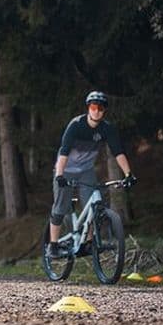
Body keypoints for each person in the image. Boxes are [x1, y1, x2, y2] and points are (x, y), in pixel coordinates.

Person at [47, 91, 137, 258]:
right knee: (60, 208)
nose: (96, 111)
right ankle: (52, 246)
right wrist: (59, 175)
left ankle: (88, 243)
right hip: (65, 169)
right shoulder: (76, 125)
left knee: (94, 205)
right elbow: (64, 152)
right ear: (88, 108)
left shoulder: (107, 129)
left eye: (100, 108)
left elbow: (118, 152)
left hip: (86, 171)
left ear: (104, 111)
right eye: (93, 107)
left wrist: (128, 174)